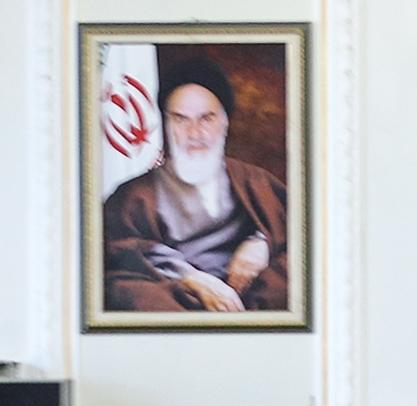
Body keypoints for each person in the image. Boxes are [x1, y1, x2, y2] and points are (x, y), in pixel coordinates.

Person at [101, 57, 290, 313]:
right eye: (181, 119)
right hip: (176, 295)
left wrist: (262, 243)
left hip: (249, 292)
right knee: (128, 293)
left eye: (206, 119)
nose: (194, 133)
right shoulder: (132, 195)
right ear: (166, 125)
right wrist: (190, 277)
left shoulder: (254, 181)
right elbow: (118, 249)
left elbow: (297, 226)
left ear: (225, 123)